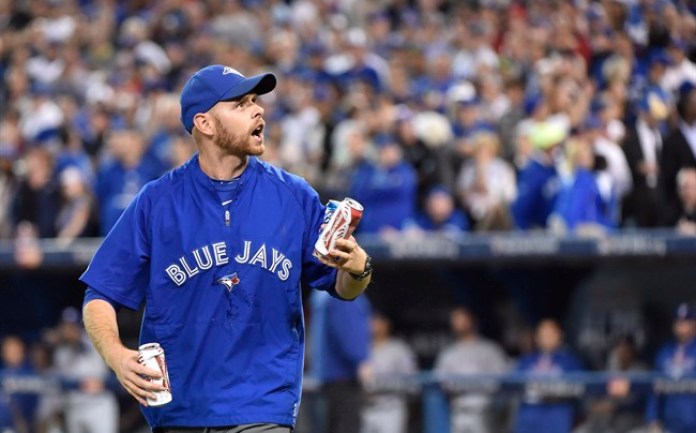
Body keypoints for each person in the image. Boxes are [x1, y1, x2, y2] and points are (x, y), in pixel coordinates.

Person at [80, 64, 373, 433]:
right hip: (180, 410)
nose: (258, 110)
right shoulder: (157, 202)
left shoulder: (293, 196)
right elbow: (99, 294)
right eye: (240, 104)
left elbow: (341, 287)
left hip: (262, 406)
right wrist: (116, 355)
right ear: (204, 123)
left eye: (256, 101)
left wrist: (358, 270)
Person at [434, 306, 508, 433]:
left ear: (471, 321)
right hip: (459, 410)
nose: (459, 324)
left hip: (484, 412)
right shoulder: (448, 353)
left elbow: (504, 378)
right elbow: (439, 380)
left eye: (462, 320)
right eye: (455, 321)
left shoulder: (490, 349)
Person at [309, 289, 371, 433]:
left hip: (326, 378)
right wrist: (361, 360)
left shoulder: (322, 292)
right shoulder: (345, 290)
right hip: (344, 378)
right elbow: (349, 335)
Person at [52, 307, 118, 433]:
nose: (68, 330)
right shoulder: (61, 352)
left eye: (72, 326)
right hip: (74, 408)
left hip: (98, 406)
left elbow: (81, 343)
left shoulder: (92, 342)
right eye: (65, 326)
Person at [513, 319, 584, 433]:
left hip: (557, 416)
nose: (547, 337)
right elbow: (510, 384)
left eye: (551, 334)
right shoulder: (526, 360)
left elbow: (581, 386)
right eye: (543, 334)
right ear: (536, 337)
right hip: (529, 416)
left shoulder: (571, 361)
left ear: (559, 335)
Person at [360, 312, 418, 433]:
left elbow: (413, 383)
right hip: (366, 408)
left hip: (391, 408)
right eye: (372, 321)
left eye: (379, 321)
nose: (374, 325)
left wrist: (382, 382)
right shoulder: (362, 349)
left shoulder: (400, 349)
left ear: (387, 324)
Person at [646, 303, 696, 433]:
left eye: (687, 321)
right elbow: (655, 389)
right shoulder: (664, 352)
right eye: (679, 321)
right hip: (671, 423)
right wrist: (653, 419)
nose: (682, 326)